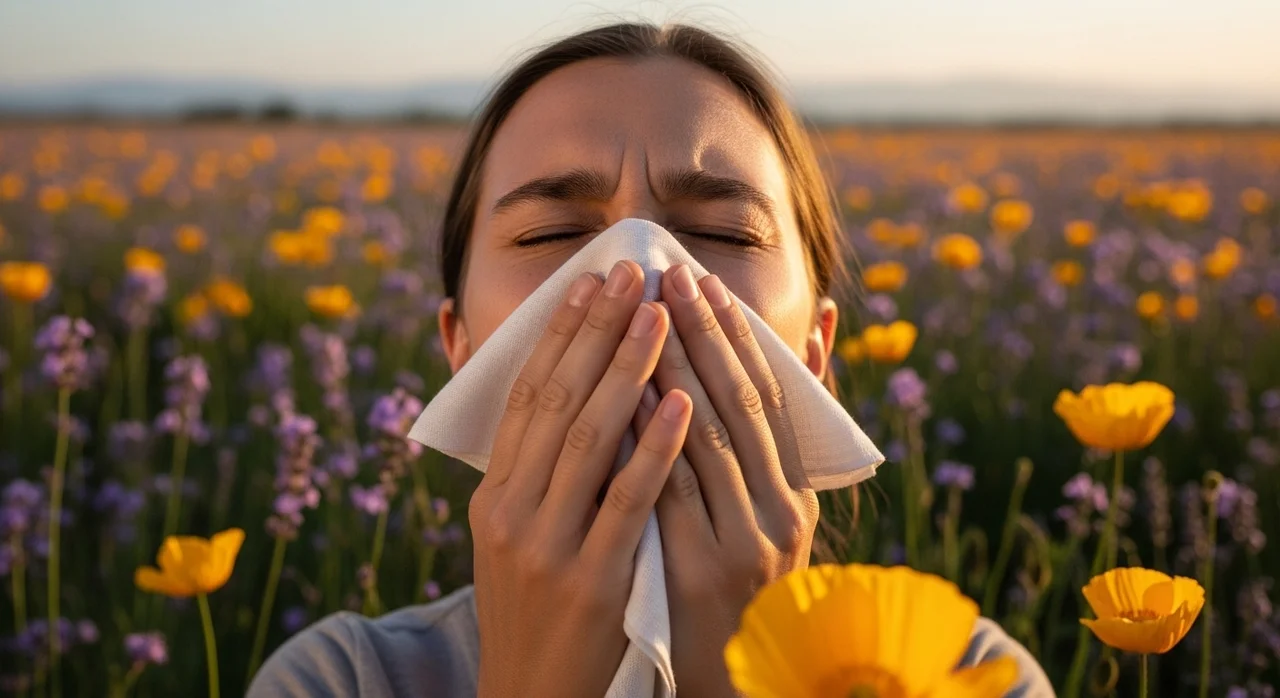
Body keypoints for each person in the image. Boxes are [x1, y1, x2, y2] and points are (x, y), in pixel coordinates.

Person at [249, 20, 1055, 698]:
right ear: (460, 347)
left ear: (816, 351)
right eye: (551, 236)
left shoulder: (964, 673)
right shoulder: (341, 679)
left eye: (725, 235)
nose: (639, 278)